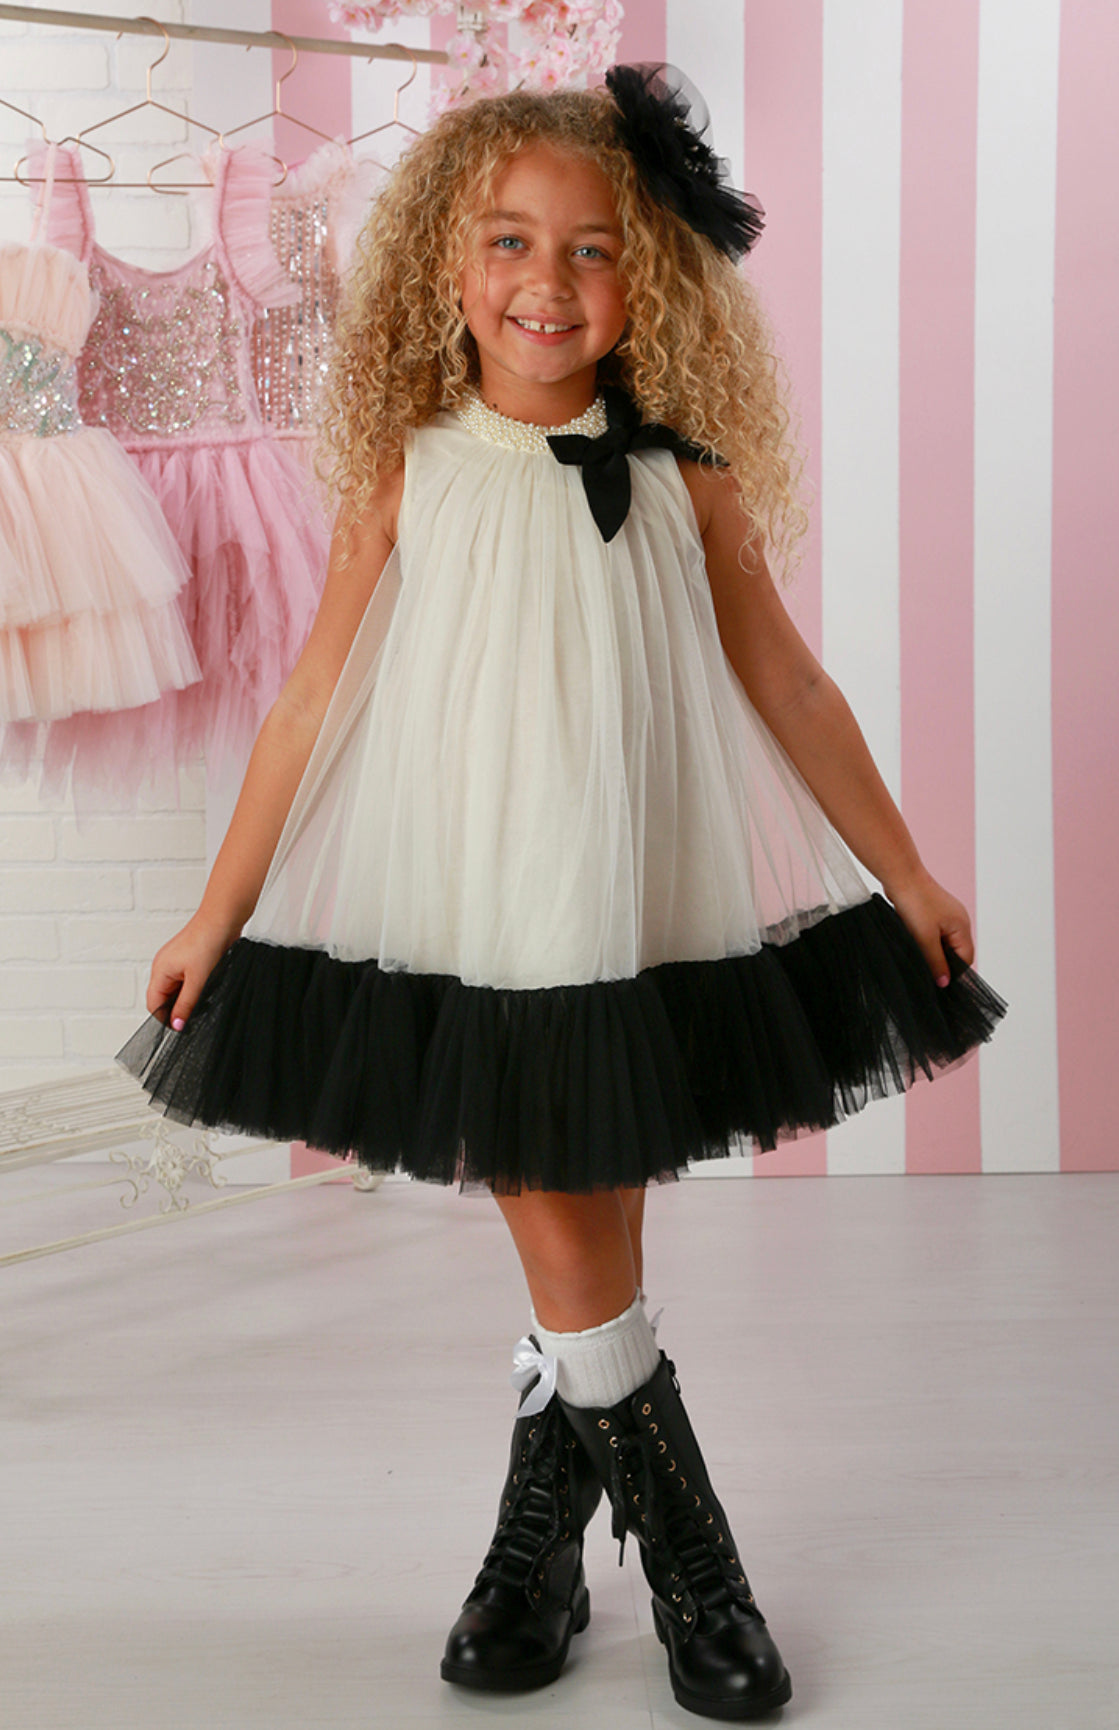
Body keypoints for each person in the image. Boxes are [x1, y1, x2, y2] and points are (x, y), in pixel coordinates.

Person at [120, 67, 1005, 1721]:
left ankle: (535, 1553)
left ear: (647, 275)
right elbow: (310, 699)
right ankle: (697, 1560)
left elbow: (789, 682)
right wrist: (213, 910)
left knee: (591, 1195)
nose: (549, 280)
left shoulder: (684, 467)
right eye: (510, 242)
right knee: (558, 1195)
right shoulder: (411, 462)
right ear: (445, 265)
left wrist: (905, 868)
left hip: (639, 877)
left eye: (593, 248)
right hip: (483, 884)